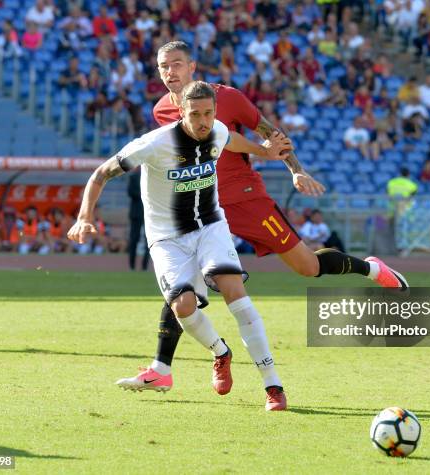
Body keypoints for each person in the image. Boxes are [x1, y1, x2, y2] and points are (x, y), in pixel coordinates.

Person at [120, 41, 409, 394]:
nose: (170, 72)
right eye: (164, 66)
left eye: (177, 64)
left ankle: (372, 269)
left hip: (245, 199)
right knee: (183, 288)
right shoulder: (162, 110)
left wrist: (295, 171)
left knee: (307, 266)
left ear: (192, 66)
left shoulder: (229, 98)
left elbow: (271, 134)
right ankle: (161, 369)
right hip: (198, 209)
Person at [68, 81, 292, 410]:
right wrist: (84, 216)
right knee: (183, 306)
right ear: (181, 113)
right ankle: (221, 352)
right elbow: (101, 173)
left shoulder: (215, 129)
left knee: (234, 292)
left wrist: (265, 152)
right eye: (195, 114)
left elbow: (231, 140)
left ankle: (273, 386)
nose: (203, 121)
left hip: (210, 226)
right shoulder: (156, 143)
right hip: (167, 238)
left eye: (208, 113)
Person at [127, 168, 149, 271]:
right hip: (137, 213)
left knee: (149, 240)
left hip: (148, 213)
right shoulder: (133, 176)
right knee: (133, 240)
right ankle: (132, 266)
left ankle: (144, 266)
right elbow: (130, 192)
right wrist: (144, 193)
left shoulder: (151, 176)